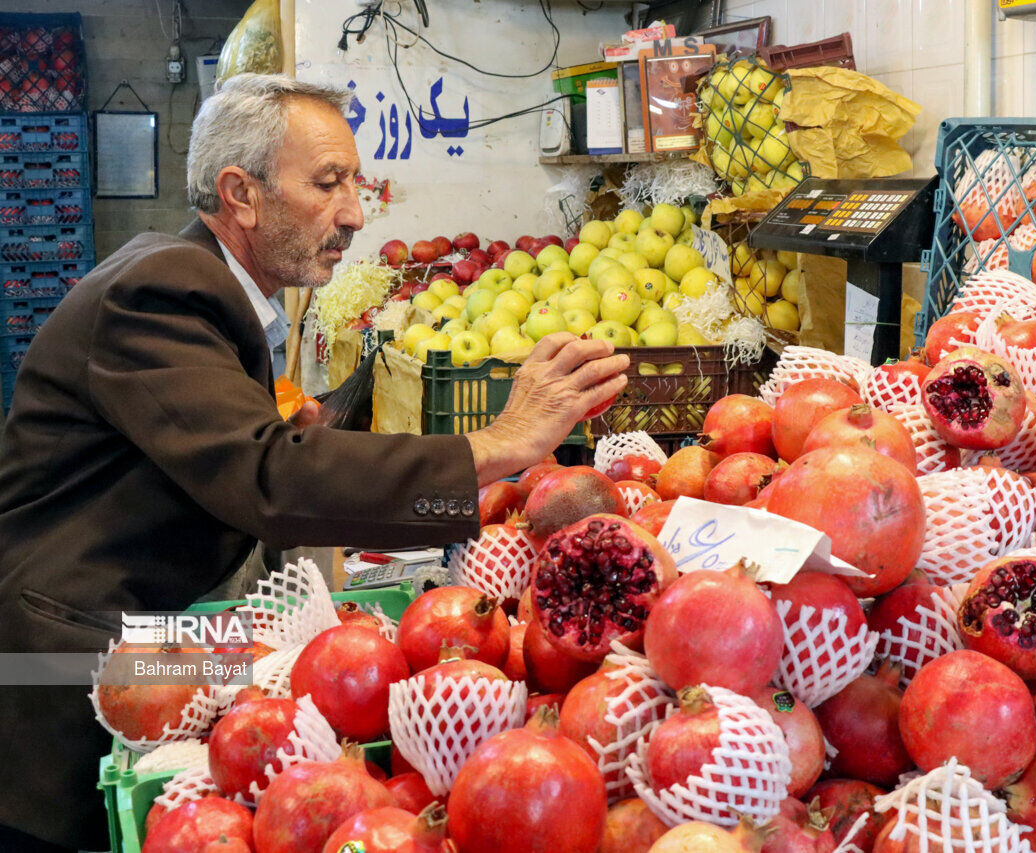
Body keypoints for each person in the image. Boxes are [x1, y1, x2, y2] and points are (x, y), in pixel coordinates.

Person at [0, 74, 628, 851]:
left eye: (355, 184)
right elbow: (271, 478)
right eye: (329, 183)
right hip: (68, 665)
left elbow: (232, 456)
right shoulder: (162, 289)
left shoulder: (203, 286)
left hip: (155, 635)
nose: (355, 213)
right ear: (242, 194)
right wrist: (496, 445)